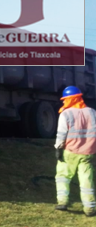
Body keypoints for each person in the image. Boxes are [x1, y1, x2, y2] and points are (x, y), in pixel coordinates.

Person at [54, 85, 96, 217]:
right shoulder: (92, 112)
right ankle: (90, 209)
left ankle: (63, 202)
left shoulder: (66, 113)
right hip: (88, 152)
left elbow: (61, 134)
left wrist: (58, 148)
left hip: (70, 151)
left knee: (63, 177)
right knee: (86, 180)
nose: (63, 102)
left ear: (70, 99)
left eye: (65, 99)